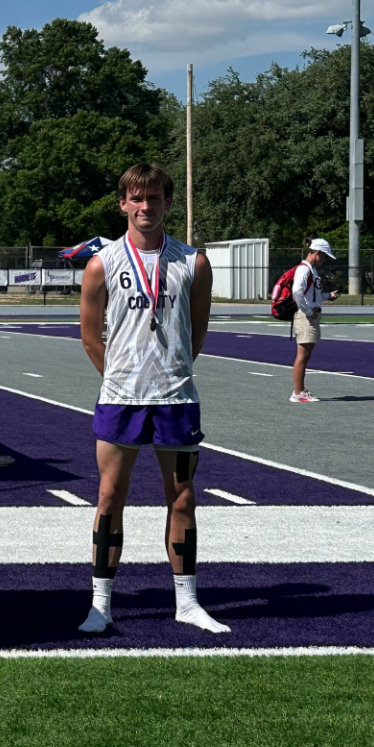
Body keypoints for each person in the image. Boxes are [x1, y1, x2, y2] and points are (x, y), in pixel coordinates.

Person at [77, 162, 229, 635]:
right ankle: (101, 603)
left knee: (183, 499)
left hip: (176, 400)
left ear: (167, 202)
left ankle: (187, 601)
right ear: (122, 203)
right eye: (136, 199)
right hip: (120, 400)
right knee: (108, 497)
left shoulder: (193, 262)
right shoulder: (102, 263)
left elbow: (196, 330)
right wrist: (121, 380)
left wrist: (171, 372)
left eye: (155, 198)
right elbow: (88, 336)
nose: (146, 207)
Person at [289, 238, 337, 402]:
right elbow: (297, 291)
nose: (324, 260)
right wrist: (308, 311)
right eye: (324, 257)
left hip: (310, 315)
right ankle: (298, 392)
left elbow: (311, 294)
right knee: (302, 355)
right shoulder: (304, 269)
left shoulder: (311, 270)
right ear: (317, 253)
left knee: (306, 355)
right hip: (307, 317)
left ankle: (300, 391)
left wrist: (327, 297)